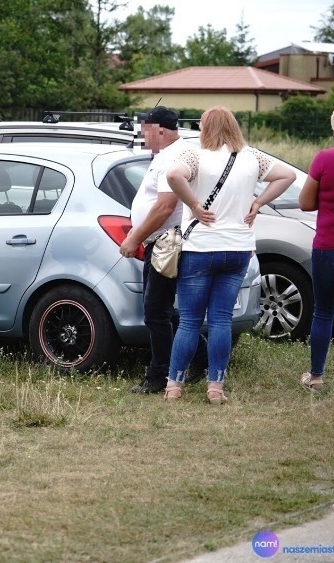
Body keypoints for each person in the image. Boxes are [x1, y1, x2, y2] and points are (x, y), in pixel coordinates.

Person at [165, 106, 295, 403]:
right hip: (238, 249)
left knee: (189, 320)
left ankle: (174, 385)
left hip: (200, 248)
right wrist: (258, 202)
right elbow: (287, 175)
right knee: (222, 319)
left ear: (205, 127)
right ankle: (216, 387)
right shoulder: (251, 157)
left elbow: (174, 175)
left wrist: (195, 206)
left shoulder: (194, 155)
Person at [120, 106, 205, 394]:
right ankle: (200, 356)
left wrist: (135, 237)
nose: (142, 135)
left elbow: (165, 206)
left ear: (159, 130)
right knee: (162, 309)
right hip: (159, 240)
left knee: (155, 311)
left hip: (166, 242)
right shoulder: (167, 155)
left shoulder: (175, 157)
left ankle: (160, 375)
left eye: (144, 129)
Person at [297, 100, 334, 391]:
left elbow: (304, 203)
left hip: (329, 247)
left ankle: (315, 376)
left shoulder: (324, 159)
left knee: (324, 311)